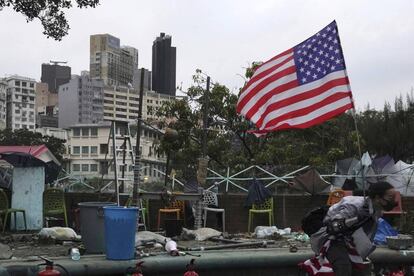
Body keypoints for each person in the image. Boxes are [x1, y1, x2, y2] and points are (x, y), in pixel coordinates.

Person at [310, 181, 397, 276]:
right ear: (377, 198)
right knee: (343, 266)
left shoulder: (377, 211)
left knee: (360, 269)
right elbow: (332, 227)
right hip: (331, 239)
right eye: (390, 197)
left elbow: (369, 234)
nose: (394, 200)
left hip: (351, 242)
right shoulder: (353, 204)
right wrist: (356, 218)